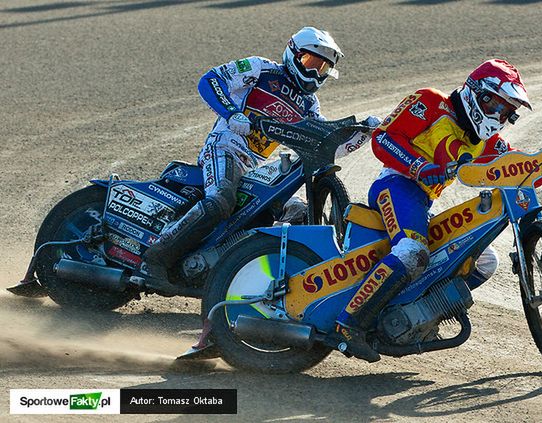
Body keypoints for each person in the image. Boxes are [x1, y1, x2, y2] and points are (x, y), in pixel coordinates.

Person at [330, 59, 542, 362]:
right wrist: (420, 166)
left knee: (484, 261)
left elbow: (519, 172)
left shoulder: (490, 142)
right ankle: (348, 324)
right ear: (479, 94)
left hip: (424, 201)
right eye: (497, 107)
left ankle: (420, 313)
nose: (499, 116)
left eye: (506, 112)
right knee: (412, 252)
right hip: (396, 185)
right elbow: (383, 138)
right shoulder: (430, 102)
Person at [132, 27, 378, 292]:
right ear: (293, 53)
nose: (314, 72)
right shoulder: (260, 68)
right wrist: (231, 113)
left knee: (297, 212)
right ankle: (154, 259)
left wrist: (364, 133)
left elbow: (326, 146)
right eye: (310, 62)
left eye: (322, 68)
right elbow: (210, 80)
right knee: (220, 201)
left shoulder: (310, 105)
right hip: (224, 147)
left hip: (254, 166)